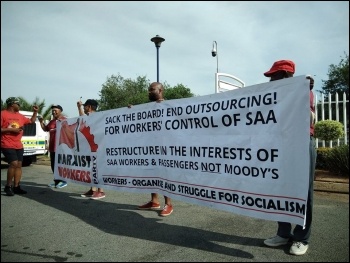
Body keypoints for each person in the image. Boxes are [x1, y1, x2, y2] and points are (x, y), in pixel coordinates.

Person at [262, 60, 317, 256]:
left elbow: (309, 118)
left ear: (286, 75)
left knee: (304, 192)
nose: (270, 80)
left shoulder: (304, 92)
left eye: (274, 76)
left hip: (301, 144)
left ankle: (302, 237)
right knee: (281, 188)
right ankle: (283, 233)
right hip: (282, 145)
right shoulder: (273, 96)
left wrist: (302, 90)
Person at [136, 82, 174, 216]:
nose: (149, 92)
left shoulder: (169, 106)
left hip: (164, 148)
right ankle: (154, 201)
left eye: (152, 90)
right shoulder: (147, 107)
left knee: (163, 175)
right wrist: (130, 110)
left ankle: (168, 204)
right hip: (150, 147)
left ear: (160, 90)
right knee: (151, 174)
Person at [1, 97, 39, 196]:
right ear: (12, 104)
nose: (19, 105)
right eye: (18, 104)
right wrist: (12, 130)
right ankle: (8, 186)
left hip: (18, 144)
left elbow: (31, 121)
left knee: (18, 165)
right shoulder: (3, 114)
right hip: (6, 143)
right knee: (13, 163)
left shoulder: (20, 116)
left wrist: (35, 112)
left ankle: (16, 186)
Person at [77, 99, 106, 200]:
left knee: (98, 168)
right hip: (90, 147)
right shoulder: (89, 117)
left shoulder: (99, 117)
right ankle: (93, 189)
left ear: (89, 107)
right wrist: (79, 107)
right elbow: (82, 119)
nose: (84, 108)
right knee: (91, 169)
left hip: (98, 147)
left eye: (84, 106)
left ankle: (101, 191)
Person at [39, 105, 68, 189]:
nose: (53, 112)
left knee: (61, 165)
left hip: (61, 147)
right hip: (52, 147)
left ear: (60, 111)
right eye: (53, 110)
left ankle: (63, 181)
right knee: (53, 165)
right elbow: (45, 129)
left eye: (56, 110)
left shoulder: (65, 120)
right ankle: (56, 181)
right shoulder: (52, 121)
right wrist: (41, 122)